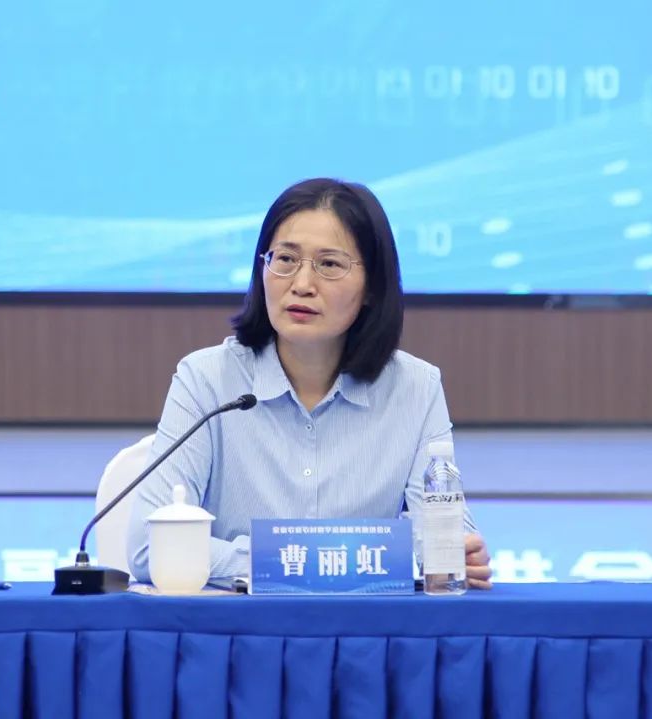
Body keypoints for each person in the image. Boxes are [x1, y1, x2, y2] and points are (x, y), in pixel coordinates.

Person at [126, 178, 492, 588]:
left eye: (329, 265)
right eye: (285, 259)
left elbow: (446, 543)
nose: (301, 284)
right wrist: (303, 560)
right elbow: (149, 546)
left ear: (372, 287)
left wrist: (455, 555)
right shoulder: (206, 380)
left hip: (363, 627)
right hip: (238, 623)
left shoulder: (416, 388)